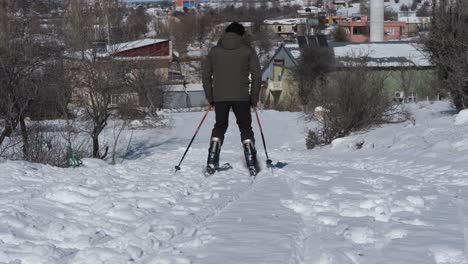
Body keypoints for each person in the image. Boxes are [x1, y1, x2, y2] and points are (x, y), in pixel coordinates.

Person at [202, 22, 261, 176]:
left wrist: (211, 98)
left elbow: (206, 75)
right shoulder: (248, 51)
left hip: (220, 97)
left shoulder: (214, 51)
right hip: (241, 97)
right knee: (245, 127)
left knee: (220, 126)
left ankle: (212, 158)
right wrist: (253, 99)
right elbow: (257, 75)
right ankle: (251, 160)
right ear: (241, 35)